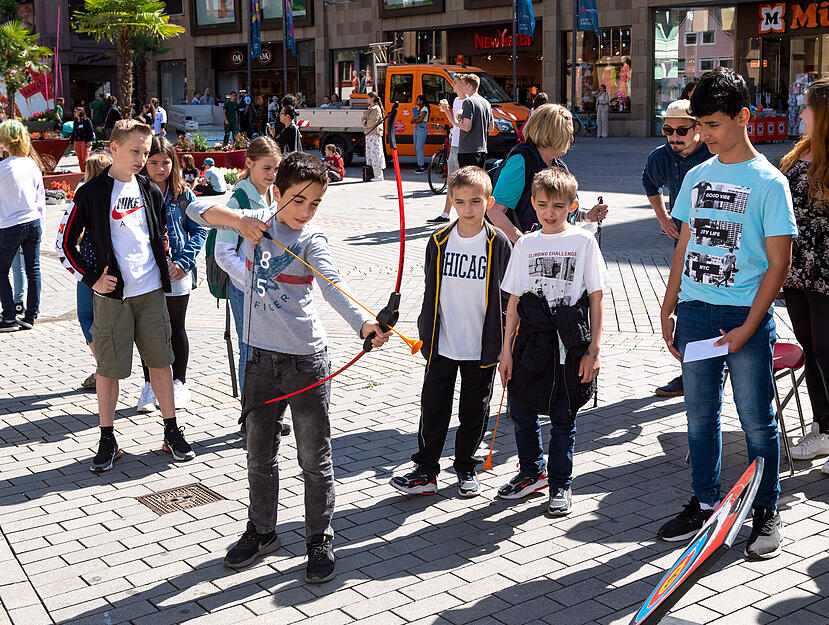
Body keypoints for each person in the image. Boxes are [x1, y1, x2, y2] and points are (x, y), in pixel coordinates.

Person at [186, 151, 392, 580]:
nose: (305, 211)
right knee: (259, 455)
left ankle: (319, 538)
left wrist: (365, 324)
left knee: (314, 460)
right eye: (298, 200)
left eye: (315, 203)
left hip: (305, 363)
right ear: (275, 192)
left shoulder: (311, 241)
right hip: (258, 360)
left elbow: (335, 288)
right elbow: (193, 206)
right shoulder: (254, 220)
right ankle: (262, 531)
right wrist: (239, 221)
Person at [658, 68, 797, 559]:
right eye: (699, 125)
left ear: (744, 117)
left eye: (713, 124)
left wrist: (748, 327)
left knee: (757, 420)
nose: (704, 135)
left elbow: (779, 265)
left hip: (746, 317)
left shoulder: (770, 183)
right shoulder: (697, 175)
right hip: (695, 311)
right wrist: (670, 301)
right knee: (699, 417)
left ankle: (765, 511)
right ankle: (705, 502)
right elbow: (684, 244)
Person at [56, 119, 196, 471]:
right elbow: (64, 243)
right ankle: (107, 438)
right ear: (113, 148)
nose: (141, 158)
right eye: (134, 151)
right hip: (112, 298)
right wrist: (91, 280)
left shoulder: (150, 189)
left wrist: (166, 260)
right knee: (109, 369)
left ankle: (171, 430)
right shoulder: (91, 192)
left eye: (145, 152)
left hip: (151, 293)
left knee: (160, 362)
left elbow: (158, 233)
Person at [390, 166, 511, 497]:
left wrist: (504, 343)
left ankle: (466, 467)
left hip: (481, 345)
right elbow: (431, 287)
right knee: (433, 407)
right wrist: (425, 330)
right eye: (460, 202)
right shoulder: (439, 240)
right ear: (451, 201)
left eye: (475, 201)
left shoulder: (497, 243)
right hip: (442, 342)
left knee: (474, 411)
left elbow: (508, 295)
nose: (468, 209)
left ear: (489, 201)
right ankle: (426, 470)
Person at [495, 167, 608, 514]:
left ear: (573, 206)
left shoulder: (583, 242)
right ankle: (531, 471)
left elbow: (597, 298)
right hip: (531, 342)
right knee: (523, 411)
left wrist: (594, 351)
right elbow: (513, 302)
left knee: (564, 417)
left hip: (570, 343)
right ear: (532, 203)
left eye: (559, 206)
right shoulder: (526, 244)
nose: (550, 212)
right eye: (543, 205)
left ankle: (561, 483)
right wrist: (506, 352)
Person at [642, 99, 712, 398]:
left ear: (698, 128)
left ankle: (714, 370)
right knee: (687, 306)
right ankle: (690, 373)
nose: (674, 136)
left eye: (681, 130)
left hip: (717, 246)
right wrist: (664, 217)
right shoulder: (662, 156)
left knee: (711, 307)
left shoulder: (714, 154)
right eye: (667, 129)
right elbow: (649, 183)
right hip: (683, 245)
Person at [132, 137, 207, 412]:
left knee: (175, 328)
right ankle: (150, 386)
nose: (159, 168)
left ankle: (179, 384)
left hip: (177, 270)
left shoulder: (183, 194)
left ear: (173, 163)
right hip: (145, 273)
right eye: (153, 162)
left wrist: (184, 263)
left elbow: (200, 230)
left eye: (165, 162)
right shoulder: (134, 191)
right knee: (148, 331)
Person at [779, 79, 829, 470]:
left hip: (826, 271)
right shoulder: (802, 151)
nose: (800, 113)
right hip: (797, 272)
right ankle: (824, 429)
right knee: (812, 349)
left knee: (828, 350)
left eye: (806, 107)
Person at [209, 136, 281, 393]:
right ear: (249, 163)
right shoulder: (236, 203)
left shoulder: (274, 194)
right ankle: (252, 417)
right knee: (251, 351)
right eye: (266, 168)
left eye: (275, 168)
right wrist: (251, 279)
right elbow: (224, 253)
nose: (272, 174)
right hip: (245, 289)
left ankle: (271, 414)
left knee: (274, 349)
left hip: (270, 287)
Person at [486, 103, 608, 243]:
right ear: (554, 134)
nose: (572, 139)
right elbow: (494, 211)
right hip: (525, 255)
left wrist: (586, 216)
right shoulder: (521, 161)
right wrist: (524, 243)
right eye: (569, 134)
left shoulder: (557, 163)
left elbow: (558, 211)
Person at [56, 151, 113, 389]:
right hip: (113, 269)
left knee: (88, 318)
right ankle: (105, 367)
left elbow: (65, 240)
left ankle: (104, 368)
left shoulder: (86, 195)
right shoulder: (117, 193)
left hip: (90, 270)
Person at [0, 120, 44, 332]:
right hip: (32, 221)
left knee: (1, 271)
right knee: (33, 270)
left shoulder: (2, 168)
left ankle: (8, 317)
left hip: (8, 224)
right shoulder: (32, 165)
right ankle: (30, 316)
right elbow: (40, 198)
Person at [429, 75, 467, 223]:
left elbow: (461, 124)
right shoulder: (457, 100)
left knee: (463, 182)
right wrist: (446, 110)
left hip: (464, 146)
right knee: (451, 180)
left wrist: (447, 112)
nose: (452, 84)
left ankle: (463, 215)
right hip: (455, 144)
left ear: (463, 84)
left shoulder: (469, 102)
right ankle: (446, 213)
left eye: (455, 82)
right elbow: (455, 123)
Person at [452, 74, 493, 169]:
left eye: (464, 84)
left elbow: (467, 127)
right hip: (482, 149)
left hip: (467, 149)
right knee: (477, 180)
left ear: (469, 85)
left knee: (466, 181)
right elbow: (491, 128)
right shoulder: (486, 103)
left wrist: (455, 123)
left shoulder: (468, 102)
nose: (462, 86)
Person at [361, 92, 385, 182]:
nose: (366, 99)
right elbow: (363, 119)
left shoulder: (377, 109)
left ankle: (379, 175)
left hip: (375, 133)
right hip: (369, 133)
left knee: (376, 154)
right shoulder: (369, 108)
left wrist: (366, 123)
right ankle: (373, 174)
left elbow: (372, 122)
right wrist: (366, 123)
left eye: (368, 98)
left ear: (372, 98)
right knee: (370, 154)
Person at [71, 106, 95, 173]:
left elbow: (90, 131)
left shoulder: (87, 120)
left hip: (85, 142)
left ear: (80, 112)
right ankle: (82, 172)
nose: (74, 113)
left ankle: (88, 172)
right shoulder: (75, 121)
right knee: (80, 158)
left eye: (76, 111)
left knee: (85, 158)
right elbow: (74, 132)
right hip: (77, 141)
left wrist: (90, 140)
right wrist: (72, 142)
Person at [413, 95, 430, 174]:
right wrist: (415, 120)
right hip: (417, 128)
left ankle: (422, 167)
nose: (416, 101)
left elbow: (420, 120)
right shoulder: (418, 109)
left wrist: (415, 120)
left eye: (417, 100)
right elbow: (412, 120)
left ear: (422, 101)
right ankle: (420, 165)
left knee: (419, 148)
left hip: (421, 128)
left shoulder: (424, 109)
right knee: (416, 147)